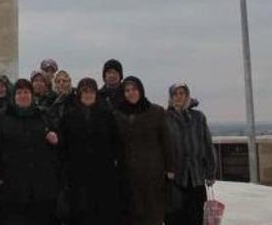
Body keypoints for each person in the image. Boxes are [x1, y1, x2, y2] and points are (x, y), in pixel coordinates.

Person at [0, 79, 59, 225]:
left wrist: (55, 139)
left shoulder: (43, 115)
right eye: (19, 93)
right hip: (12, 185)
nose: (23, 96)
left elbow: (56, 145)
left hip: (41, 186)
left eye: (26, 92)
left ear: (32, 95)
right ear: (13, 96)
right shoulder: (2, 118)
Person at [58, 77, 124, 225]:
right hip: (76, 176)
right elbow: (63, 145)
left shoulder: (107, 115)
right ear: (79, 94)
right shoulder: (69, 116)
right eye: (84, 91)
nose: (88, 94)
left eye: (91, 91)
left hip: (103, 175)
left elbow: (116, 142)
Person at [114, 76, 175, 225]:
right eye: (127, 90)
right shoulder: (117, 114)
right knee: (131, 216)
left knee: (152, 216)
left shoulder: (156, 112)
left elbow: (166, 141)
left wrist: (170, 168)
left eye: (134, 89)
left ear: (141, 90)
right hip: (128, 176)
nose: (131, 93)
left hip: (153, 174)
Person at [164, 82, 216, 225]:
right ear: (171, 97)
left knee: (196, 216)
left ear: (187, 95)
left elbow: (207, 144)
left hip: (196, 176)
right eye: (175, 94)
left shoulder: (198, 117)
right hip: (175, 178)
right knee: (176, 218)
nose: (179, 97)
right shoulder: (165, 118)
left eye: (182, 93)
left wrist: (211, 171)